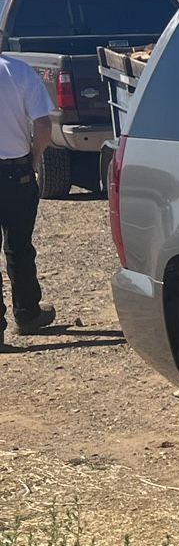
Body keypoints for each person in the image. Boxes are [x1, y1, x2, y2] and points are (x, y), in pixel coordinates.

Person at [0, 51, 57, 350]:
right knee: (19, 246)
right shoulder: (19, 72)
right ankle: (27, 313)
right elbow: (44, 126)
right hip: (15, 173)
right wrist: (34, 160)